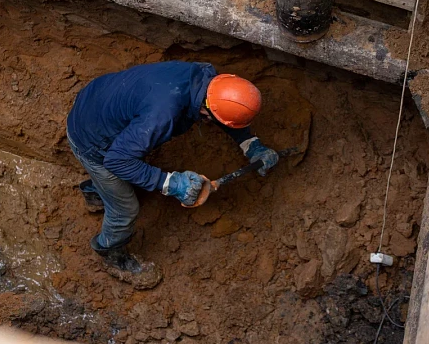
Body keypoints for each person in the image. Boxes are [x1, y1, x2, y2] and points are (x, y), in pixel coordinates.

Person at [66, 61, 279, 289]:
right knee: (124, 208)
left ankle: (97, 193)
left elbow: (223, 111)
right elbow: (117, 160)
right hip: (92, 140)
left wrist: (250, 144)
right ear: (206, 111)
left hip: (99, 96)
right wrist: (169, 183)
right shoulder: (161, 115)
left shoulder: (205, 79)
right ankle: (111, 253)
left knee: (130, 165)